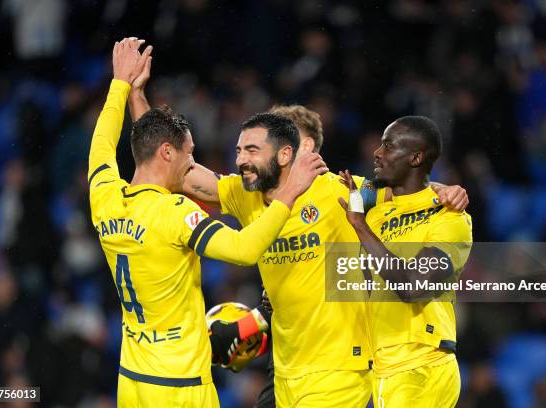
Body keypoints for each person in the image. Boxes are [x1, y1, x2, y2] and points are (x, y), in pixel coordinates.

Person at [127, 60, 469, 407]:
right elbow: (169, 165)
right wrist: (136, 96)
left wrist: (447, 190)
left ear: (288, 151)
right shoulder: (245, 195)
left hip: (341, 370)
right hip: (285, 368)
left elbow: (407, 189)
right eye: (239, 151)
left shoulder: (339, 191)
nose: (242, 160)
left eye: (252, 151)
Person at [88, 38, 327, 407]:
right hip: (179, 384)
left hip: (132, 379)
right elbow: (245, 250)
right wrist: (290, 192)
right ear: (169, 152)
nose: (193, 161)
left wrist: (123, 87)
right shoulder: (176, 213)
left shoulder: (103, 193)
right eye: (190, 152)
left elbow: (104, 141)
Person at [339, 116, 473, 407]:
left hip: (420, 364)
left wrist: (360, 227)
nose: (377, 152)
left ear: (415, 157)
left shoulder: (449, 217)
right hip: (384, 365)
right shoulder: (374, 211)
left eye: (388, 146)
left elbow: (414, 287)